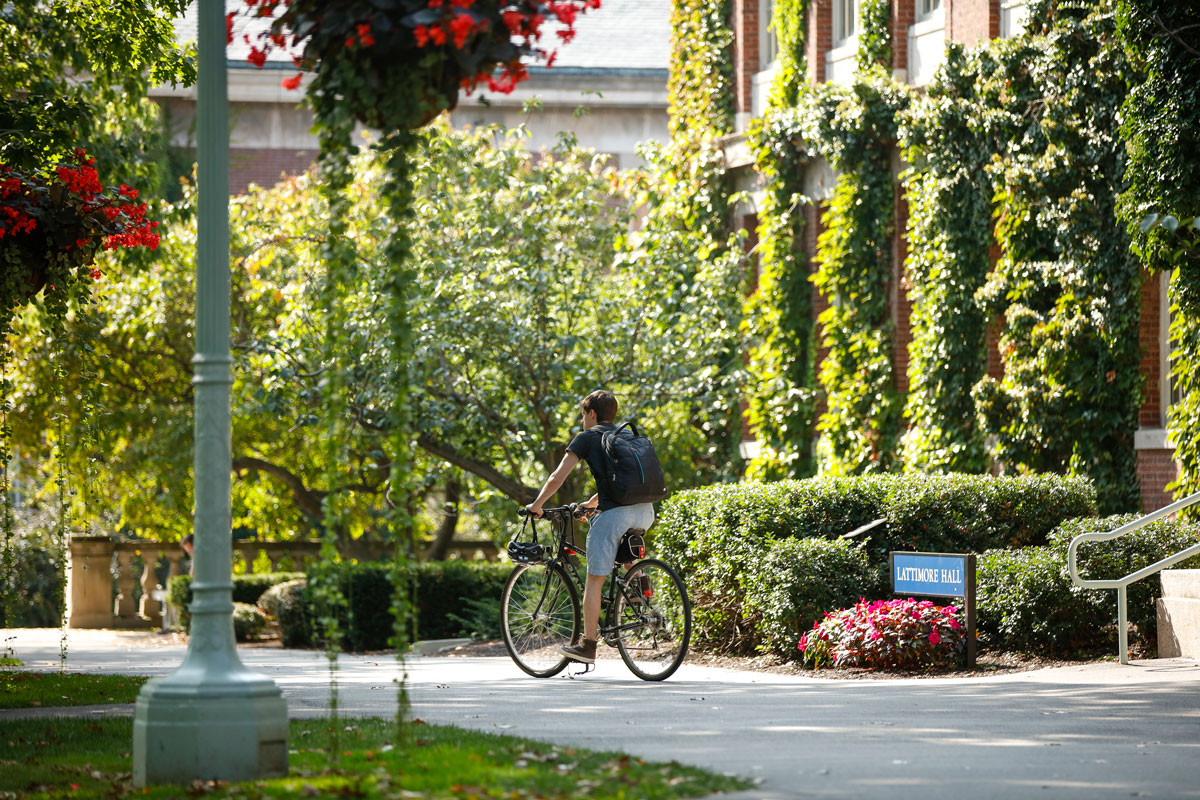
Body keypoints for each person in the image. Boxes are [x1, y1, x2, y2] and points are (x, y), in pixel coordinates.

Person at [526, 390, 655, 664]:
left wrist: (537, 505)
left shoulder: (587, 437)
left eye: (583, 414)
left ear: (591, 413)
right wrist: (590, 503)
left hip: (616, 515)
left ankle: (588, 645)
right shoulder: (626, 435)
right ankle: (639, 582)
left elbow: (557, 476)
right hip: (646, 512)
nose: (582, 420)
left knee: (594, 580)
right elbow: (623, 485)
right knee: (620, 553)